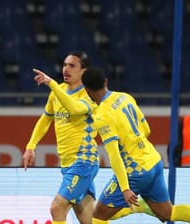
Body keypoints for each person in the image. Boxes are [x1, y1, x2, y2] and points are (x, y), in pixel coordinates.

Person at [81, 67, 190, 224]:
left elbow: (114, 155)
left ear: (87, 90)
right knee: (168, 213)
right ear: (106, 81)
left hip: (135, 172)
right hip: (153, 161)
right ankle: (142, 206)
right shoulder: (125, 97)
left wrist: (125, 189)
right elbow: (146, 130)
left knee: (98, 215)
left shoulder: (102, 116)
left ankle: (136, 204)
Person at [23, 51, 101, 224]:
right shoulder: (57, 92)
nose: (66, 69)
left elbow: (74, 109)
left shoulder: (89, 95)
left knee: (57, 207)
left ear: (84, 71)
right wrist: (31, 146)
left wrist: (52, 84)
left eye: (72, 66)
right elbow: (45, 120)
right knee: (87, 218)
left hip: (84, 160)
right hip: (68, 163)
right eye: (65, 64)